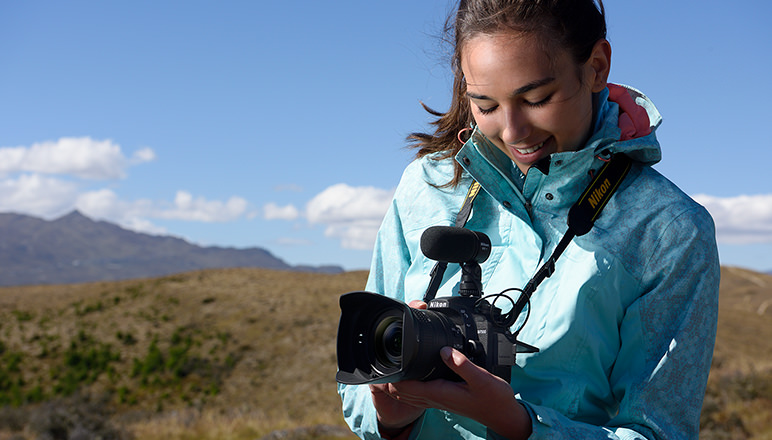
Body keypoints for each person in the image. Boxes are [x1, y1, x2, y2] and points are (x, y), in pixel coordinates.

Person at [337, 0, 720, 439]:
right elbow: (358, 374)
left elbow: (658, 432)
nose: (512, 131)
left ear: (596, 66)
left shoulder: (668, 230)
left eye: (536, 99)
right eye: (484, 105)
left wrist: (519, 425)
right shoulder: (427, 184)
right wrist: (391, 415)